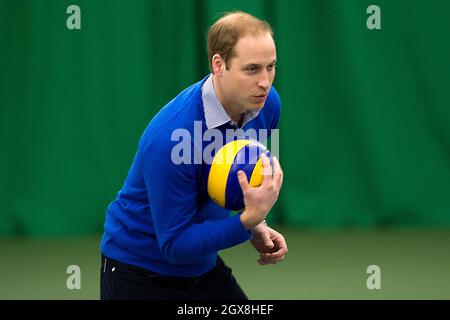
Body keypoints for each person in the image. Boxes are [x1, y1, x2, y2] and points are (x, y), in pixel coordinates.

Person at [100, 11, 287, 300]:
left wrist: (256, 224)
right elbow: (173, 245)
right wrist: (247, 222)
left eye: (270, 66)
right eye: (251, 69)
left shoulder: (267, 106)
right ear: (218, 65)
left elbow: (238, 173)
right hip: (138, 273)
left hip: (203, 267)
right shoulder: (169, 137)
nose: (265, 81)